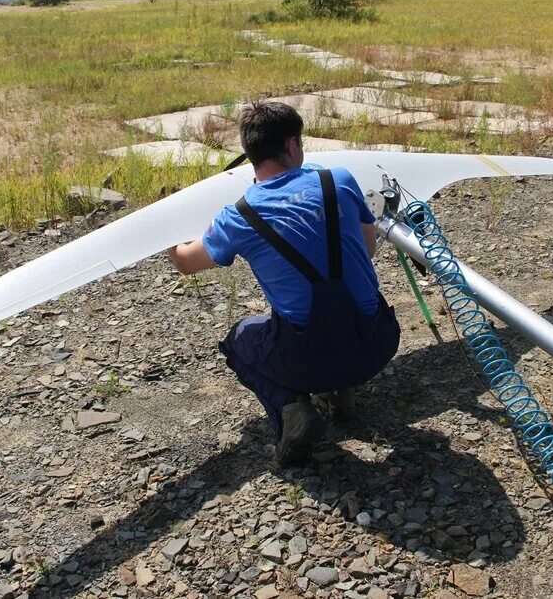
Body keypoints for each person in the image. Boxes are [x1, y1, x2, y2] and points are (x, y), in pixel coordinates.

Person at [168, 101, 401, 464]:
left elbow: (185, 263)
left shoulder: (239, 217)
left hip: (306, 360)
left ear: (250, 151)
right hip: (377, 343)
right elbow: (368, 249)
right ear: (292, 145)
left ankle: (292, 409)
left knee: (238, 339)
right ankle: (341, 397)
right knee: (341, 300)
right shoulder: (338, 180)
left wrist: (167, 229)